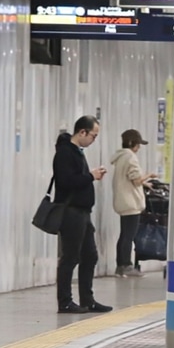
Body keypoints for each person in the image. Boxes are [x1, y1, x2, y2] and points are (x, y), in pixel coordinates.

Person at [53, 115, 113, 314]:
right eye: (93, 136)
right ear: (82, 132)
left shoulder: (77, 152)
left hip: (83, 213)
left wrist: (90, 175)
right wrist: (90, 176)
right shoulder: (65, 153)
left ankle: (87, 299)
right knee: (70, 257)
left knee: (90, 255)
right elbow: (66, 181)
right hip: (71, 213)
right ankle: (65, 301)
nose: (93, 140)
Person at [110, 128, 157, 277]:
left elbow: (129, 179)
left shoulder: (121, 157)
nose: (139, 148)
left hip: (123, 201)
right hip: (131, 203)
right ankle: (127, 265)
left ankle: (120, 266)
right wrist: (149, 175)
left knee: (124, 235)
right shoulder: (130, 157)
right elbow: (136, 179)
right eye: (138, 144)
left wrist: (145, 184)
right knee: (129, 236)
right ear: (132, 143)